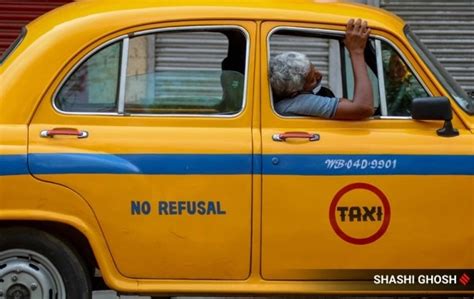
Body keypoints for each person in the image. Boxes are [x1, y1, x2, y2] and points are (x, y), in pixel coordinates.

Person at [270, 19, 374, 120]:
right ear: (295, 93)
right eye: (312, 80)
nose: (319, 75)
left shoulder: (292, 99)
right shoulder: (294, 104)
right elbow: (363, 107)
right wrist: (356, 51)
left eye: (314, 68)